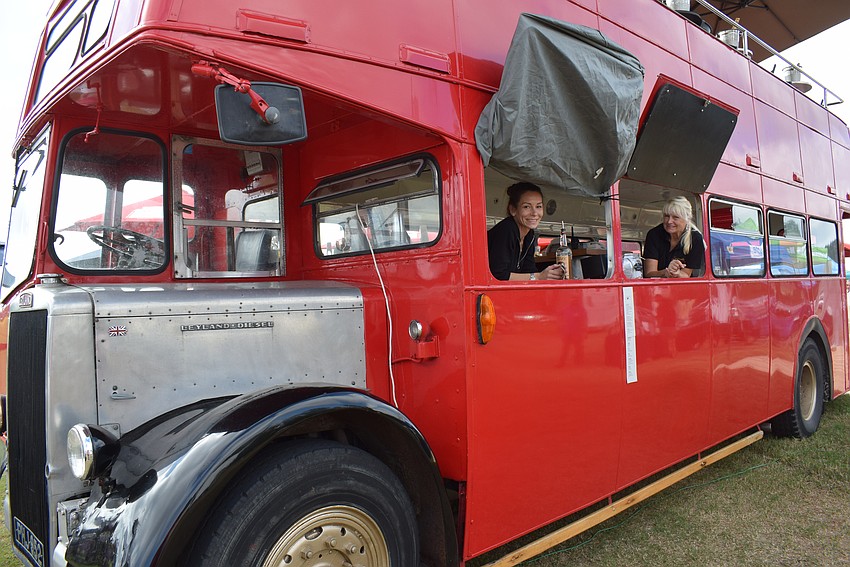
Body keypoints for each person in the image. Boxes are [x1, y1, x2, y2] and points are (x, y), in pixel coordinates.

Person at [487, 182, 566, 281]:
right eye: (526, 207)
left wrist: (549, 275)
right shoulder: (507, 229)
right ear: (513, 210)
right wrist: (539, 276)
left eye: (538, 207)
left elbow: (529, 270)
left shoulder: (529, 234)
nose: (534, 213)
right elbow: (499, 275)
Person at [643, 196, 705, 278]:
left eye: (675, 217)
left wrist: (677, 273)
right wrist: (665, 272)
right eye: (666, 216)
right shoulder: (654, 234)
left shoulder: (695, 238)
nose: (669, 221)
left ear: (687, 219)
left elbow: (686, 275)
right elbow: (649, 273)